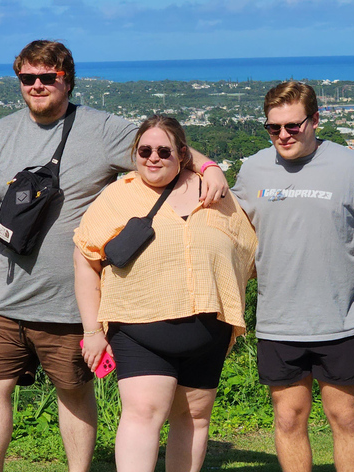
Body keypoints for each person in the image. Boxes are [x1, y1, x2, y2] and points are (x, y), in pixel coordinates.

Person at [0, 40, 228, 472]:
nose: (36, 85)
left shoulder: (100, 129)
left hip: (68, 301)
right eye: (27, 78)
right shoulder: (0, 133)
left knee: (73, 391)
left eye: (48, 77)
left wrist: (211, 166)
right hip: (1, 297)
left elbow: (163, 147)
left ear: (67, 79)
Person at [73, 115, 256, 472]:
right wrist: (92, 331)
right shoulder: (119, 195)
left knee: (195, 418)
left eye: (163, 151)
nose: (153, 158)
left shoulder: (214, 192)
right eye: (144, 150)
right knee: (143, 414)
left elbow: (245, 251)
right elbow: (85, 259)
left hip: (207, 330)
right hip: (139, 329)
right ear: (135, 153)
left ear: (182, 154)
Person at [232, 81, 354, 472]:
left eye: (293, 126)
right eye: (273, 127)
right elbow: (231, 230)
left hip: (338, 320)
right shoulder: (253, 170)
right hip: (278, 320)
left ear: (315, 120)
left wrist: (352, 259)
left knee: (345, 417)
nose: (283, 135)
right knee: (288, 419)